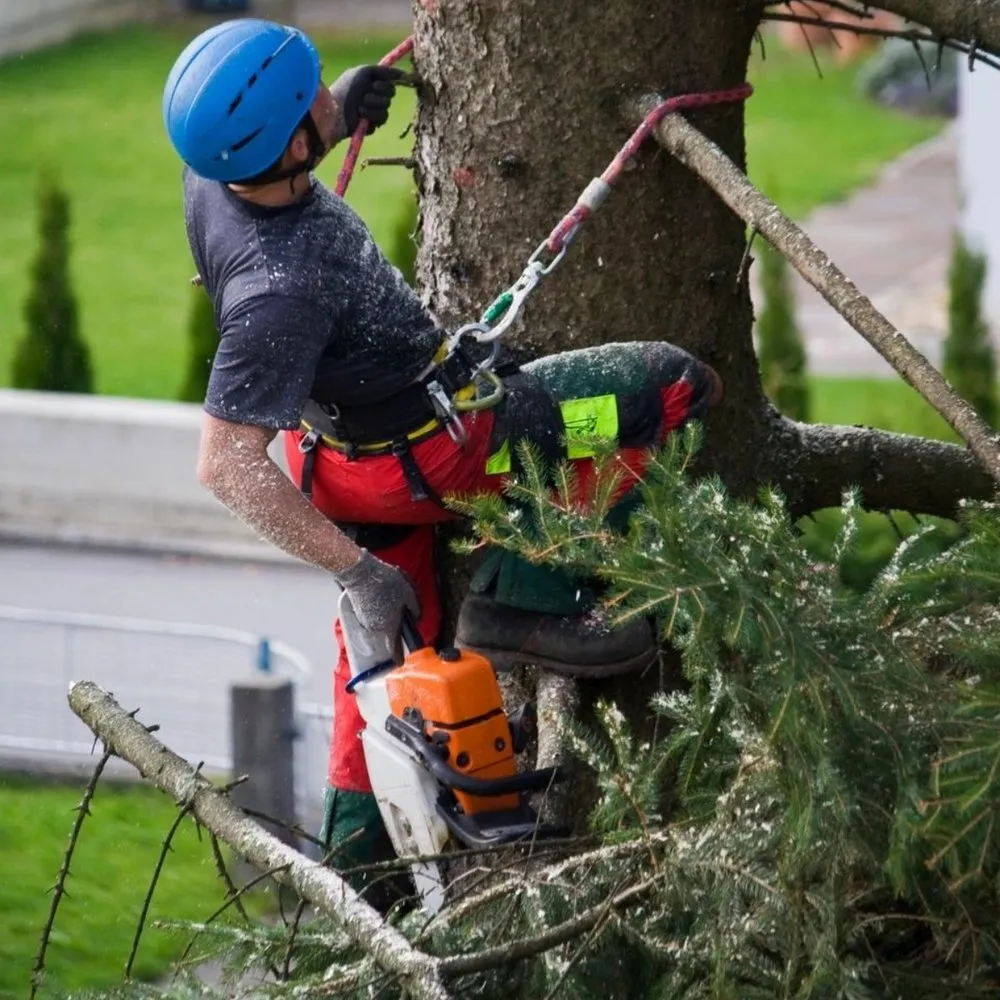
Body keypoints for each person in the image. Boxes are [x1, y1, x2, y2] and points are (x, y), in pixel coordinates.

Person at [162, 18, 723, 884]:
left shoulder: (211, 173)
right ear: (281, 143)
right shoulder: (279, 290)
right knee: (667, 388)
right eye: (310, 98)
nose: (324, 96)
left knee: (380, 677)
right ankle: (530, 597)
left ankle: (361, 871)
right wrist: (354, 570)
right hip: (441, 459)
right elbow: (224, 463)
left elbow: (274, 149)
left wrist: (338, 115)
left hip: (342, 467)